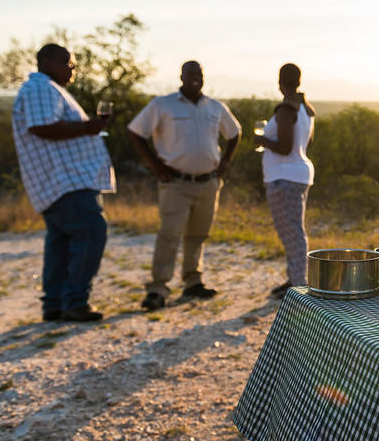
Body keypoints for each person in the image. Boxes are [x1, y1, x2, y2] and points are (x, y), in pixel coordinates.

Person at [11, 43, 115, 323]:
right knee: (92, 231)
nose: (72, 69)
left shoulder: (47, 89)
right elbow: (42, 127)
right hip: (64, 181)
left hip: (61, 182)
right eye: (67, 63)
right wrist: (89, 127)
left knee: (61, 242)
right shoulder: (40, 88)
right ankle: (74, 301)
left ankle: (55, 305)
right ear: (46, 61)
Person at [127, 61, 241, 311]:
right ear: (181, 76)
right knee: (169, 235)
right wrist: (156, 166)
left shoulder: (215, 107)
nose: (195, 78)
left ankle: (193, 281)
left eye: (199, 74)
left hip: (208, 182)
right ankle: (158, 288)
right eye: (190, 73)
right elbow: (136, 132)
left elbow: (234, 133)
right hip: (176, 182)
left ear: (203, 77)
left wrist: (225, 162)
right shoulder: (162, 105)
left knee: (198, 235)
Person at [255, 63, 315, 297]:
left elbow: (284, 146)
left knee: (292, 233)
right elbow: (306, 144)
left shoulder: (285, 109)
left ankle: (298, 284)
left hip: (284, 177)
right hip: (299, 174)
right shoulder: (307, 109)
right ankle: (294, 278)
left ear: (279, 81)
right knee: (294, 231)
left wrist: (261, 141)